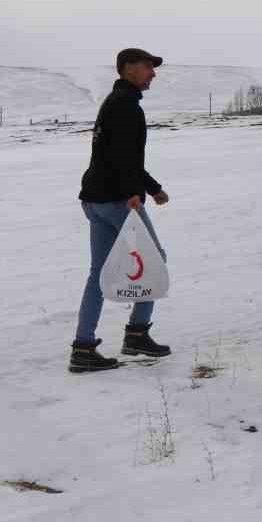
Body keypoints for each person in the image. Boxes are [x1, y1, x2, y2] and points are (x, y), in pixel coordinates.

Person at [71, 48, 173, 372]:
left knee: (99, 272)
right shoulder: (126, 105)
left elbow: (117, 155)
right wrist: (134, 193)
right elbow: (124, 159)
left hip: (95, 199)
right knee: (154, 259)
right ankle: (137, 334)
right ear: (128, 68)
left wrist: (152, 187)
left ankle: (83, 347)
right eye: (147, 67)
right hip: (117, 200)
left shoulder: (114, 102)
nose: (152, 74)